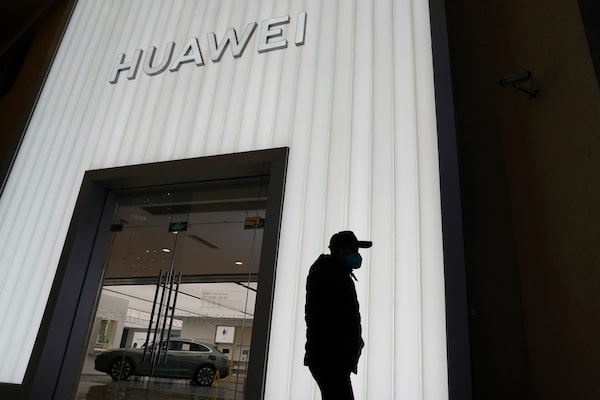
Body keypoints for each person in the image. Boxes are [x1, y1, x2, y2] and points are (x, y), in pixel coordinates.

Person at [304, 230, 372, 400]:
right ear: (341, 250)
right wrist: (348, 346)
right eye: (354, 250)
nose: (357, 254)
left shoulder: (335, 272)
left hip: (332, 357)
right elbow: (328, 318)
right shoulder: (329, 274)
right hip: (330, 358)